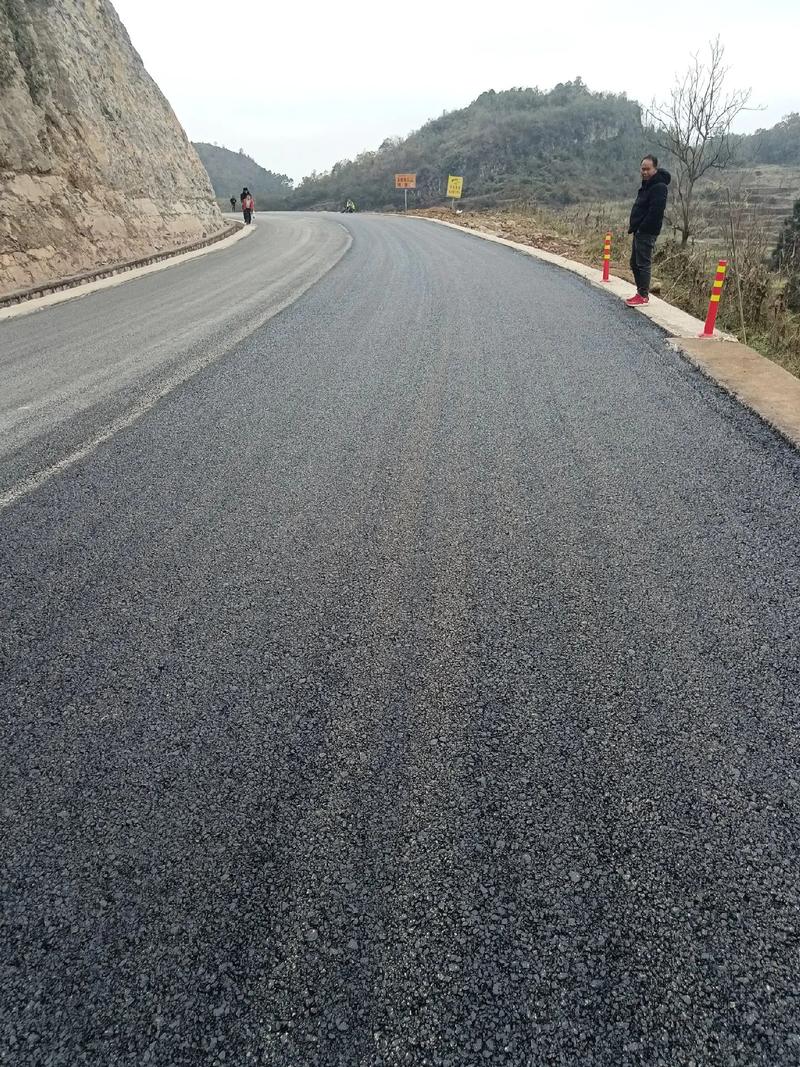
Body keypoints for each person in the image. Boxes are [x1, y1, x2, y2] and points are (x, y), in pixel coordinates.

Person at [626, 155, 671, 306]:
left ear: (655, 169)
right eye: (642, 169)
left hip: (646, 231)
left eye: (647, 169)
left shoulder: (659, 187)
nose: (644, 172)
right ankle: (640, 292)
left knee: (643, 263)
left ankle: (643, 296)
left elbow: (655, 212)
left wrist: (642, 228)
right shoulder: (647, 184)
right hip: (639, 230)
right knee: (634, 263)